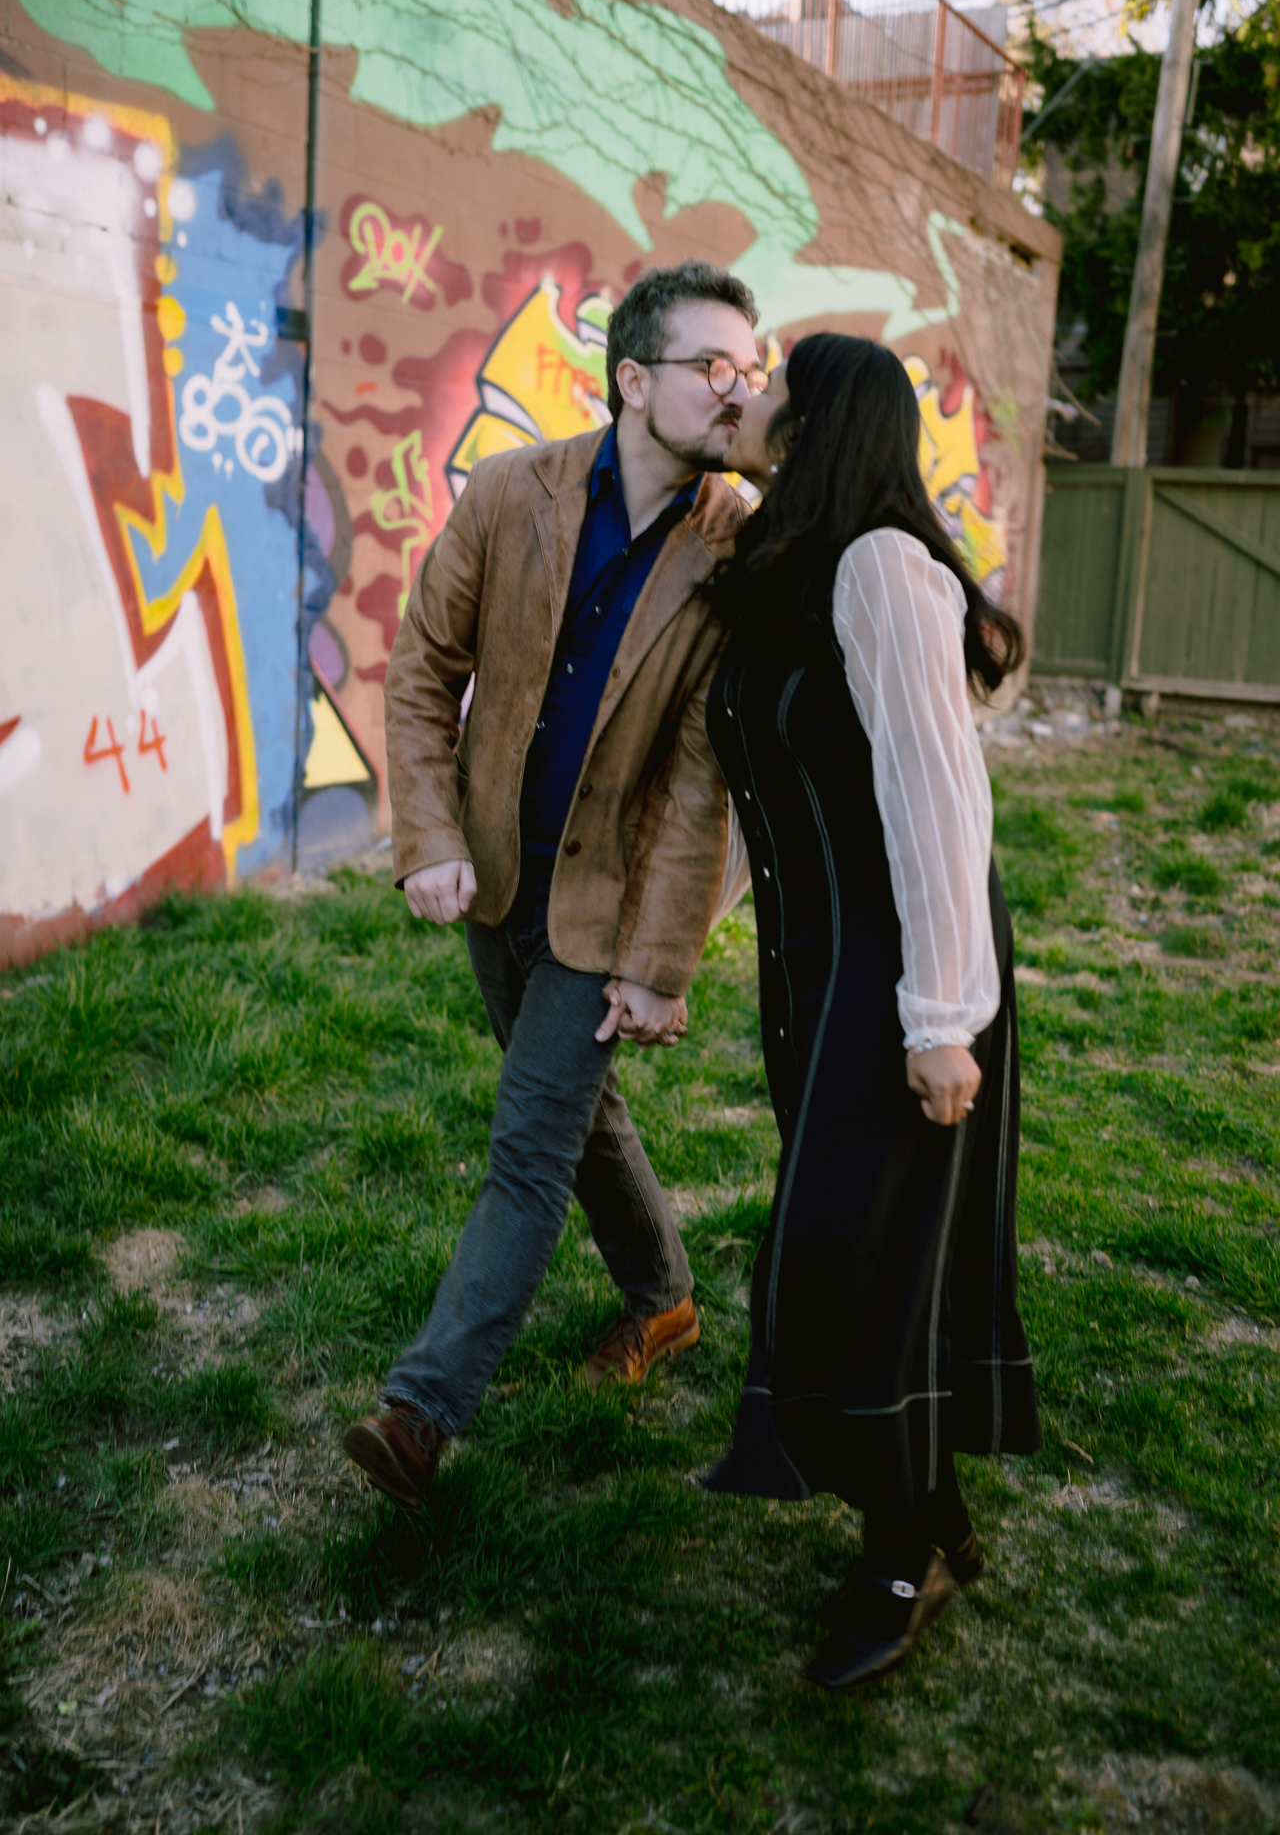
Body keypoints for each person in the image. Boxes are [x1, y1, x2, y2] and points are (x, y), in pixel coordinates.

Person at [343, 261, 769, 1511]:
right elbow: (424, 666)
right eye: (712, 368)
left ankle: (419, 1413)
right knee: (576, 1114)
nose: (737, 393)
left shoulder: (731, 542)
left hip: (606, 901)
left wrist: (656, 960)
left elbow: (699, 784)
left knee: (526, 1148)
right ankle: (666, 1298)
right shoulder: (506, 490)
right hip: (490, 870)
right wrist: (426, 833)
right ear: (634, 380)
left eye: (749, 369)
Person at [703, 334, 1041, 1691]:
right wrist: (669, 963)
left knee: (851, 1261)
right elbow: (767, 807)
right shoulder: (794, 571)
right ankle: (937, 1522)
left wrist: (943, 1015)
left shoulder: (885, 571)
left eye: (772, 379)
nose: (750, 393)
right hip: (817, 979)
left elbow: (942, 810)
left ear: (821, 416)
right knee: (870, 1252)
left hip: (905, 977)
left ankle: (901, 1555)